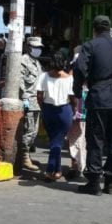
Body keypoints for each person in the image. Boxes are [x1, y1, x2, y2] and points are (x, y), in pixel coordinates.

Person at [72, 15, 112, 195]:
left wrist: (77, 90)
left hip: (100, 97)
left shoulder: (91, 45)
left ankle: (94, 182)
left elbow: (80, 68)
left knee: (96, 139)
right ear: (109, 28)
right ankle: (110, 182)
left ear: (94, 29)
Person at [37, 53, 75, 181]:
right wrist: (74, 110)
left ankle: (50, 170)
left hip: (48, 110)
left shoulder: (43, 76)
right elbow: (73, 98)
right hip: (65, 111)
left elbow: (39, 96)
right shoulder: (69, 78)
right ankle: (56, 170)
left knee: (54, 141)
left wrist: (43, 108)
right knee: (57, 142)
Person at [18, 36, 43, 172]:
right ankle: (24, 158)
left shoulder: (36, 62)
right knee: (28, 130)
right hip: (28, 101)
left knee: (34, 131)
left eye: (39, 48)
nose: (38, 50)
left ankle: (27, 156)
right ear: (28, 47)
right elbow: (20, 83)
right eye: (35, 47)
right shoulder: (23, 61)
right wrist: (25, 101)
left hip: (36, 102)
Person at [65, 45, 87, 181]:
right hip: (86, 107)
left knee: (74, 136)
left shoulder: (73, 69)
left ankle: (77, 166)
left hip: (76, 107)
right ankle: (80, 165)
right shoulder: (92, 67)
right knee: (83, 137)